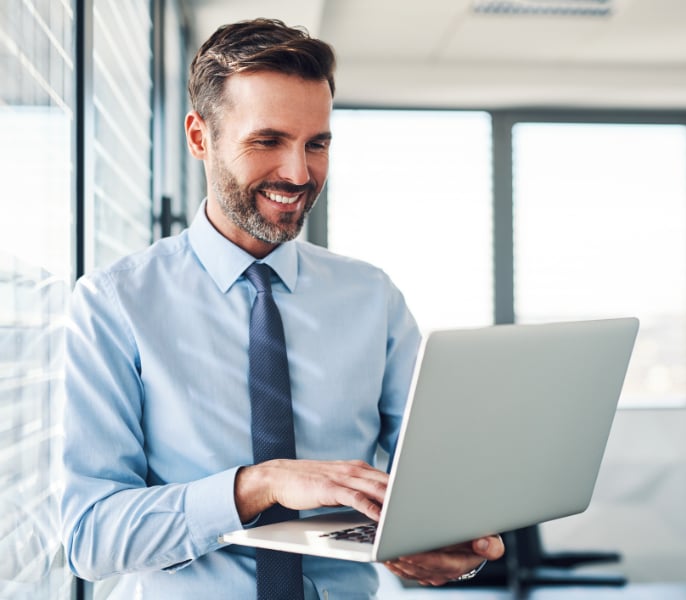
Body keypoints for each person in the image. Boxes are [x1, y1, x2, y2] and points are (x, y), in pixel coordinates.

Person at [59, 17, 504, 599]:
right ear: (200, 137)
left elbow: (432, 490)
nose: (299, 173)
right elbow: (91, 539)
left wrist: (454, 550)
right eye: (268, 141)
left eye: (316, 144)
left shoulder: (372, 298)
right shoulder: (114, 304)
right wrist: (259, 485)